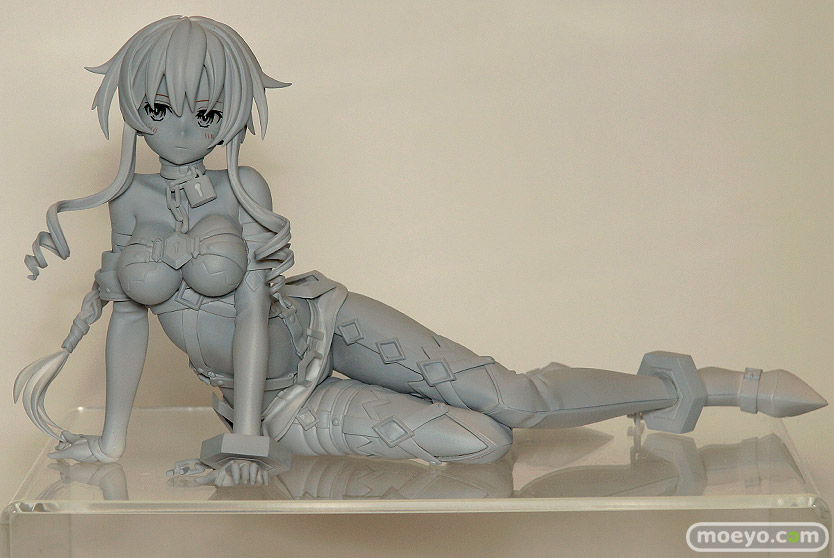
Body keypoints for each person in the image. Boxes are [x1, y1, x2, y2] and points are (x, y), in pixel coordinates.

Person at [15, 16, 826, 486]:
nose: (182, 130)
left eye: (205, 112)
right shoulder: (128, 203)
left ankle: (688, 385)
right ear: (133, 104)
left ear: (228, 114)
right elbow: (129, 320)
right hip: (286, 404)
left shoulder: (243, 188)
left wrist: (245, 444)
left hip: (324, 321)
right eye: (160, 108)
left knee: (511, 397)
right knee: (486, 444)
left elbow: (255, 308)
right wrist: (119, 442)